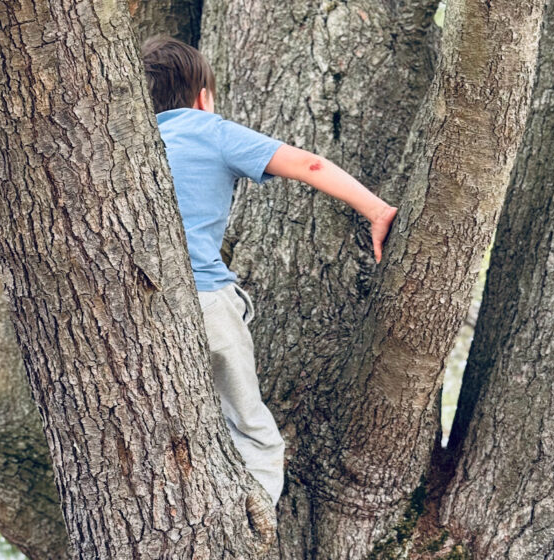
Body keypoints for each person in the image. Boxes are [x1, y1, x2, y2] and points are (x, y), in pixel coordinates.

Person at [142, 36, 397, 505]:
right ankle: (255, 531)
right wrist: (377, 210)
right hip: (207, 306)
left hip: (143, 312)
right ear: (203, 98)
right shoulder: (207, 128)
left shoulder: (127, 145)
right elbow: (310, 164)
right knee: (256, 435)